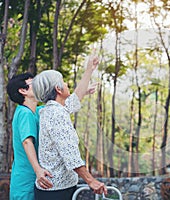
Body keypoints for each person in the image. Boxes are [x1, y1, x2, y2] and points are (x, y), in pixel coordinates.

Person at [32, 55, 107, 200]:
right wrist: (91, 180)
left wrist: (89, 69)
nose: (67, 85)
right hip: (56, 192)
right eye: (64, 83)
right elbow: (70, 155)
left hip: (56, 188)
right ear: (58, 89)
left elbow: (74, 99)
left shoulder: (52, 110)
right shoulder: (56, 115)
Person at [7, 73, 53, 200]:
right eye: (34, 83)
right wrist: (38, 170)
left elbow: (66, 103)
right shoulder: (24, 113)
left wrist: (88, 71)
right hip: (25, 183)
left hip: (33, 181)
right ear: (23, 90)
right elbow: (27, 142)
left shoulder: (37, 112)